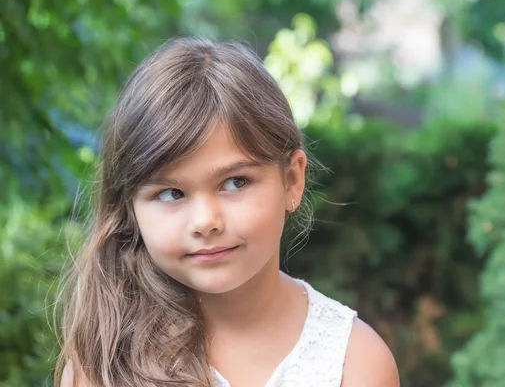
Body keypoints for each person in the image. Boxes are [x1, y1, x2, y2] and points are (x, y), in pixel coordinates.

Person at [56, 37, 400, 387]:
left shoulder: (354, 364)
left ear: (292, 180)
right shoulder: (102, 366)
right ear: (130, 204)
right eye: (171, 193)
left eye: (235, 182)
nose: (206, 221)